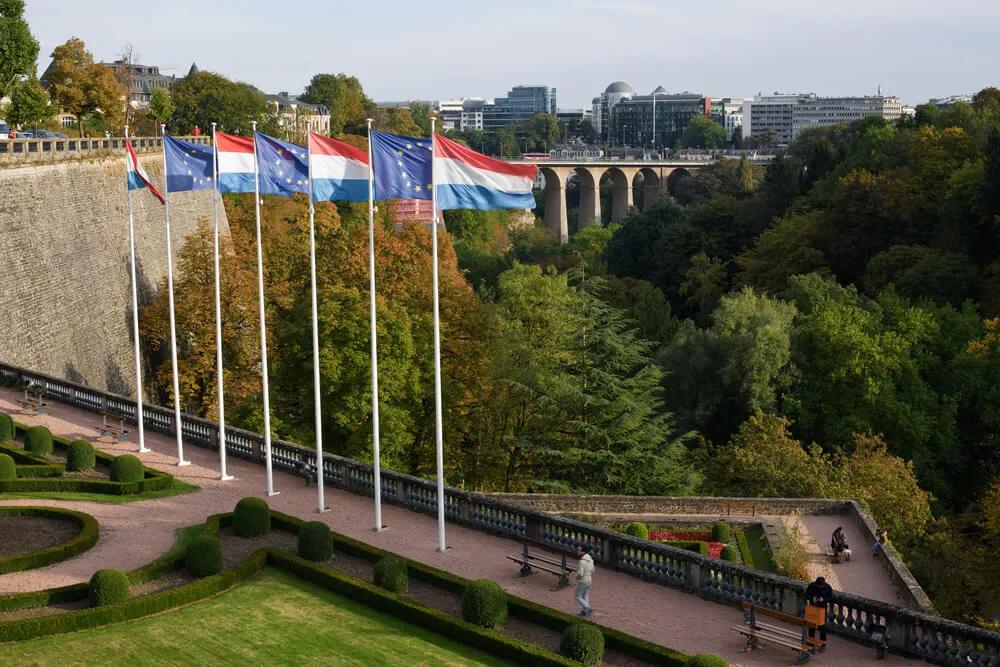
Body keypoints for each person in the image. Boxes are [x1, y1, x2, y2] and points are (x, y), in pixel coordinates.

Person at [805, 575, 834, 650]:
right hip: (813, 608)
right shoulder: (811, 586)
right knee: (812, 626)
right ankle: (811, 644)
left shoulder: (827, 587)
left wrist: (823, 599)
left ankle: (822, 644)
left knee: (822, 627)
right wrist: (813, 598)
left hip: (822, 610)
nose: (819, 588)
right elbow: (806, 595)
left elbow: (831, 598)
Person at [574, 545, 594, 617]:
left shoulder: (582, 562)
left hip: (583, 581)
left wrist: (576, 577)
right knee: (585, 596)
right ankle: (584, 612)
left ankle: (587, 607)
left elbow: (580, 574)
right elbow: (593, 570)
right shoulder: (590, 559)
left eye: (579, 550)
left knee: (577, 596)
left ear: (583, 552)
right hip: (589, 580)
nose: (577, 551)